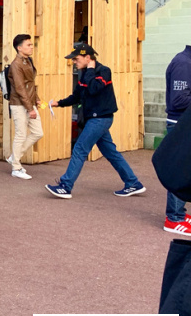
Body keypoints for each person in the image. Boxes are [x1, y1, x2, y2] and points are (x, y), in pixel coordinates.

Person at [45, 43, 146, 199]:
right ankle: (133, 183)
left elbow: (94, 89)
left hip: (100, 119)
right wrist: (58, 103)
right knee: (110, 152)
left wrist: (91, 70)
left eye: (76, 59)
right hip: (95, 119)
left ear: (87, 57)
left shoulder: (103, 71)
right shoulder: (85, 73)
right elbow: (77, 96)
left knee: (79, 149)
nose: (73, 62)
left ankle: (65, 186)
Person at [163, 45, 191, 235]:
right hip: (180, 124)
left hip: (183, 123)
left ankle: (178, 212)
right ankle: (174, 218)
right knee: (179, 171)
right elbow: (179, 100)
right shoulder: (184, 63)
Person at [7, 34, 44, 180]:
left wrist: (37, 99)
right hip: (19, 103)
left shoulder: (28, 61)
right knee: (21, 134)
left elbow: (29, 84)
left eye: (31, 44)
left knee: (38, 132)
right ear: (19, 48)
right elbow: (20, 88)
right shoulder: (16, 65)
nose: (31, 47)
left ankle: (14, 157)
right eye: (28, 45)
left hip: (29, 102)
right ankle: (16, 167)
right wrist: (30, 108)